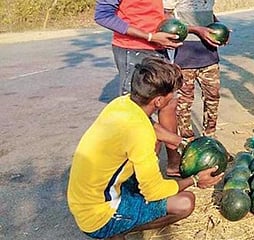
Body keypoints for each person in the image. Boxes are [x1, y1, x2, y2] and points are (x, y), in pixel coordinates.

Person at [67, 57, 224, 240]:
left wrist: (180, 141)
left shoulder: (122, 103)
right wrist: (195, 180)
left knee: (150, 154)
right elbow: (154, 192)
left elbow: (149, 124)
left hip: (84, 199)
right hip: (97, 216)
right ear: (158, 101)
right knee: (185, 202)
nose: (174, 97)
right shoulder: (140, 135)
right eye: (172, 94)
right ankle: (116, 230)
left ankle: (122, 216)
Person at [94, 0, 185, 176]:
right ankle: (138, 175)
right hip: (133, 49)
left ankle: (174, 162)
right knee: (138, 114)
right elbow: (103, 15)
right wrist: (149, 36)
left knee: (169, 103)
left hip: (160, 48)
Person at [163, 0, 225, 140]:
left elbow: (209, 15)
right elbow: (166, 19)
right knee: (184, 102)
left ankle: (210, 139)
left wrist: (220, 29)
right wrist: (196, 29)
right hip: (184, 56)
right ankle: (187, 142)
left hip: (209, 55)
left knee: (213, 98)